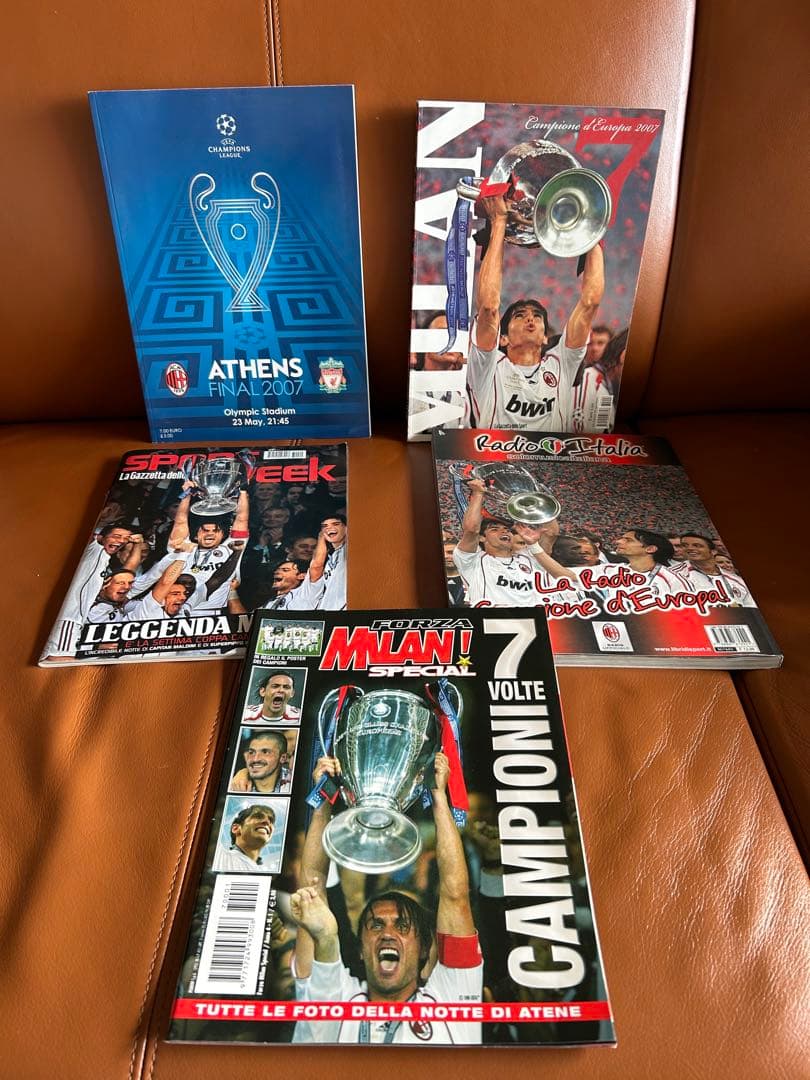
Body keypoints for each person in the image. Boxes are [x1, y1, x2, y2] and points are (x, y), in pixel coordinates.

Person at [290, 752, 483, 1044]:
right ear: (359, 948)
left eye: (403, 926)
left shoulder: (451, 998)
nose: (388, 934)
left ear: (424, 949)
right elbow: (311, 891)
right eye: (376, 925)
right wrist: (323, 801)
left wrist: (438, 796)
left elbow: (456, 895)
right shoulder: (336, 996)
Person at [467, 193, 605, 430]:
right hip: (495, 452)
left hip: (552, 453)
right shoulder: (489, 366)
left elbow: (590, 302)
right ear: (503, 338)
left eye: (537, 316)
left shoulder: (561, 364)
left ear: (545, 337)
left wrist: (589, 231)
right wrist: (499, 221)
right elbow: (489, 307)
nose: (530, 319)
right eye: (519, 316)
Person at [451, 478, 568, 606]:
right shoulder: (472, 561)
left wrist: (536, 501)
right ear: (482, 538)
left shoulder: (530, 558)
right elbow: (471, 530)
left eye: (507, 529)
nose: (504, 531)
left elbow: (551, 534)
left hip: (533, 617)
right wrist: (478, 493)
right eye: (494, 529)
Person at [42, 522, 143, 660]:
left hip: (75, 619)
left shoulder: (104, 561)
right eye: (117, 536)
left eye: (126, 538)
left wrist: (137, 545)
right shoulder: (93, 549)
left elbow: (130, 567)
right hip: (70, 618)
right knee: (60, 661)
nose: (121, 541)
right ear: (100, 537)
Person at [677, 533, 755, 607]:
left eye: (697, 546)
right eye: (684, 545)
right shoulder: (675, 575)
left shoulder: (737, 580)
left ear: (713, 551)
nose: (690, 548)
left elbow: (752, 609)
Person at [212, 803, 276, 872]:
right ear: (236, 828)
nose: (267, 822)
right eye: (258, 817)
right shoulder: (219, 855)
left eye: (271, 821)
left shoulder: (265, 873)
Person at [302, 515, 347, 610]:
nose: (329, 528)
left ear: (346, 528)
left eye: (336, 524)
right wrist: (321, 537)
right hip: (328, 610)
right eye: (325, 526)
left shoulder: (349, 549)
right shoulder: (331, 558)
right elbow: (316, 566)